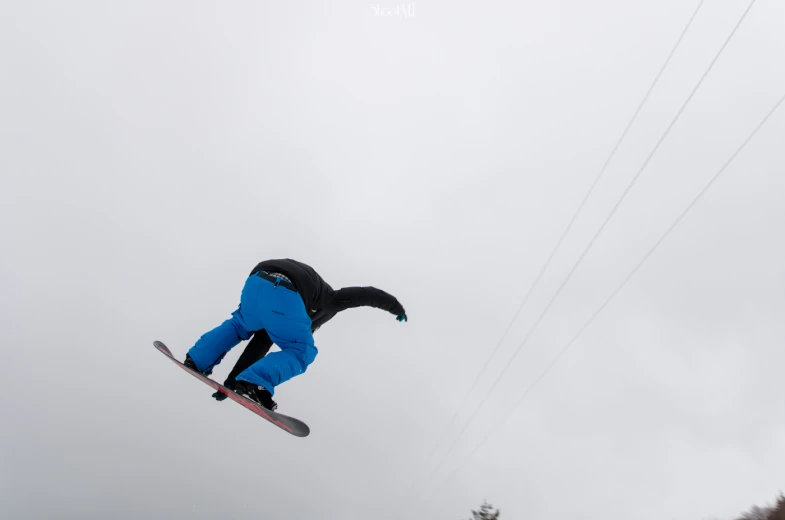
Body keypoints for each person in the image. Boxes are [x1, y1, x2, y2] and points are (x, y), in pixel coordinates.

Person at [183, 258, 407, 411]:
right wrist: (395, 307)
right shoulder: (331, 299)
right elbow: (364, 295)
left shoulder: (280, 323)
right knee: (302, 350)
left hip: (256, 282)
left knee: (239, 325)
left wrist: (231, 386)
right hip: (287, 290)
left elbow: (257, 349)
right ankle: (256, 384)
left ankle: (198, 358)